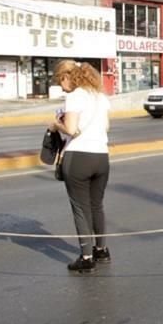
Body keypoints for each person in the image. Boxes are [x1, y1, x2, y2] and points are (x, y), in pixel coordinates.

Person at [49, 60, 111, 273]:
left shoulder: (74, 96)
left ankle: (86, 257)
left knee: (80, 208)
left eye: (60, 81)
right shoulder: (100, 97)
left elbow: (72, 130)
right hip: (102, 156)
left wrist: (55, 124)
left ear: (68, 77)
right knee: (97, 205)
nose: (61, 86)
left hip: (78, 157)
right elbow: (107, 126)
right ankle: (101, 249)